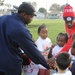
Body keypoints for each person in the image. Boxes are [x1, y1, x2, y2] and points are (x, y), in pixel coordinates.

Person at [0, 2, 50, 75]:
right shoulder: (20, 29)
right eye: (31, 16)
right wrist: (47, 65)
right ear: (24, 15)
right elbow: (33, 52)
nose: (32, 19)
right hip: (10, 67)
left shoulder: (3, 18)